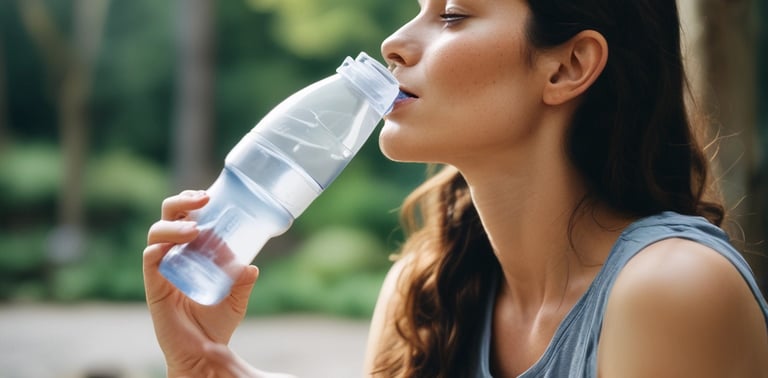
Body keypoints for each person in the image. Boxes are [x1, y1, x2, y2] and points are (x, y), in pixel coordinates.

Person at [143, 0, 768, 376]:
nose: (394, 42)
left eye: (451, 15)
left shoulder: (676, 291)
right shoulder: (424, 295)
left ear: (568, 65)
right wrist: (209, 367)